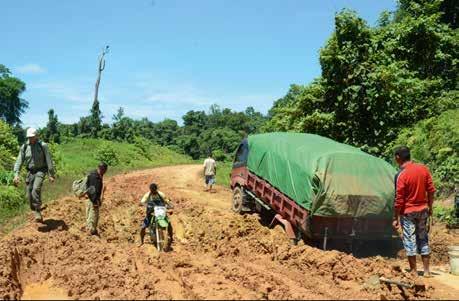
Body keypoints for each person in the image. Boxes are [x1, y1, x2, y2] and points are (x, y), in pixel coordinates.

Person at [392, 146, 435, 277]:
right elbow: (431, 190)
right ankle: (427, 271)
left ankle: (414, 271)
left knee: (410, 240)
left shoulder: (401, 175)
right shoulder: (423, 169)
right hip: (423, 210)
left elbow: (399, 199)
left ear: (398, 157)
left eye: (395, 157)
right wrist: (430, 207)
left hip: (408, 213)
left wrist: (396, 218)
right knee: (423, 238)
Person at [13, 128, 56, 223]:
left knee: (36, 189)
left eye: (32, 137)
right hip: (30, 172)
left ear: (37, 136)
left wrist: (51, 174)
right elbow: (19, 161)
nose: (31, 139)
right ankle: (34, 208)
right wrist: (16, 174)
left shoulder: (43, 145)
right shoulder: (24, 147)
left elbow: (49, 160)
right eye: (29, 137)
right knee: (29, 194)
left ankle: (37, 211)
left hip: (41, 170)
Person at [86, 162, 108, 236]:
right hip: (93, 201)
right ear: (102, 169)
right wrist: (95, 202)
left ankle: (93, 232)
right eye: (105, 171)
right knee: (92, 218)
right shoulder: (95, 177)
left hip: (92, 199)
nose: (105, 173)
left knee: (93, 218)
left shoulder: (96, 175)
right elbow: (93, 191)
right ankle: (91, 234)